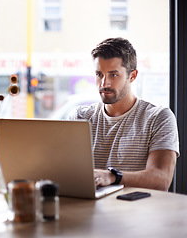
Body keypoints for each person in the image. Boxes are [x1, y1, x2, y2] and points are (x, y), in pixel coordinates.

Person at [67, 37, 179, 191]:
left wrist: (113, 177)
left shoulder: (158, 117)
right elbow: (66, 171)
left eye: (113, 75)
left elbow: (161, 179)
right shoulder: (80, 117)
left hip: (138, 211)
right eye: (99, 74)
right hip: (88, 210)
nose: (104, 83)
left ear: (132, 76)